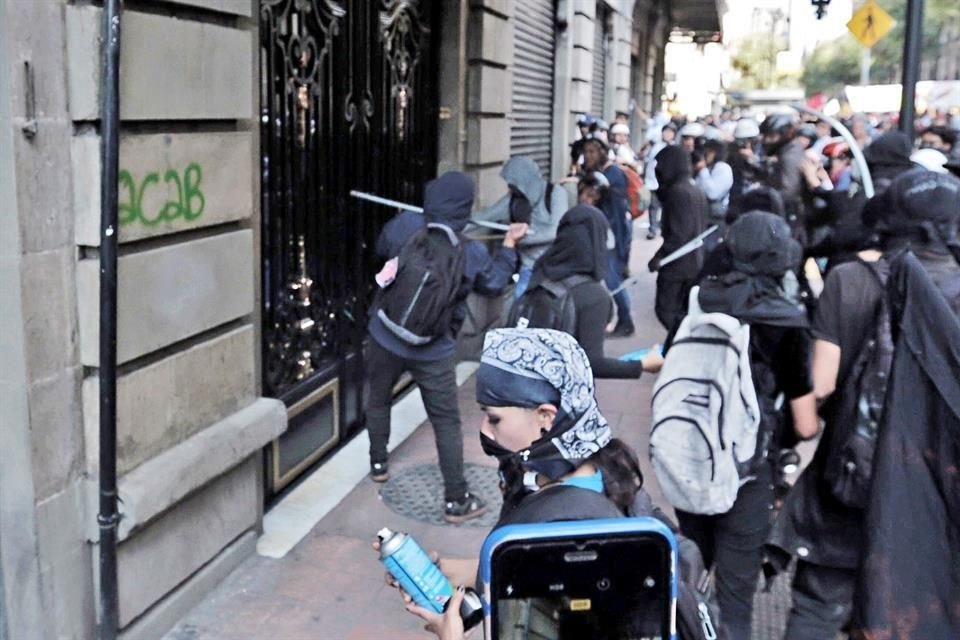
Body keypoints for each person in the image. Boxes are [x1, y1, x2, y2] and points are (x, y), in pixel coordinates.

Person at [766, 168, 960, 639]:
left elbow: (824, 383)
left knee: (818, 602)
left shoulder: (850, 279)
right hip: (937, 487)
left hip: (853, 478)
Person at [388, 328, 665, 639]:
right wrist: (440, 572)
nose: (486, 431)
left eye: (494, 418)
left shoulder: (569, 528)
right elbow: (528, 574)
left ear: (546, 416)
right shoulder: (602, 472)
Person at [679, 212, 819, 639]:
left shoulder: (701, 298)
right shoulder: (788, 321)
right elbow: (805, 422)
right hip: (749, 470)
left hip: (692, 456)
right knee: (736, 596)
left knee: (690, 573)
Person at [366, 171, 529, 523]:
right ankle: (456, 499)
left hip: (385, 334)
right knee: (445, 421)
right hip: (433, 349)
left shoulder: (406, 225)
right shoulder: (469, 251)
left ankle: (378, 462)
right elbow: (495, 284)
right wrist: (509, 247)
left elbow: (380, 250)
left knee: (378, 398)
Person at [524, 204, 664, 379]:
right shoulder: (593, 295)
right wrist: (642, 365)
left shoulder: (541, 271)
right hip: (554, 394)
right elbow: (592, 364)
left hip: (519, 381)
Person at [472, 156, 567, 298]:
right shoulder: (513, 200)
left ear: (525, 180)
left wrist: (519, 238)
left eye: (513, 185)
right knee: (521, 312)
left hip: (553, 268)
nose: (510, 189)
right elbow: (485, 216)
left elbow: (557, 231)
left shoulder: (556, 194)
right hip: (528, 269)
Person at [648, 144, 707, 333]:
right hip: (694, 262)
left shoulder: (678, 192)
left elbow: (678, 235)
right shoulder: (694, 189)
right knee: (682, 310)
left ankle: (679, 341)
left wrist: (658, 258)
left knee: (666, 309)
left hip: (677, 264)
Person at [582, 135, 635, 337]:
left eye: (592, 152)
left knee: (613, 280)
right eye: (586, 152)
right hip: (603, 235)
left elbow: (614, 211)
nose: (588, 156)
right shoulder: (598, 173)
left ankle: (625, 320)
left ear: (603, 152)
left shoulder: (612, 174)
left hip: (611, 236)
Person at [694, 139, 734, 251]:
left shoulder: (723, 168)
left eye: (708, 151)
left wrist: (702, 170)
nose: (705, 154)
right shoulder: (709, 168)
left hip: (714, 219)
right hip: (703, 217)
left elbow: (712, 193)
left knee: (710, 250)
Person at [644, 122, 677, 240]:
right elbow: (649, 163)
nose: (667, 134)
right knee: (653, 206)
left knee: (667, 207)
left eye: (670, 132)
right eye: (666, 131)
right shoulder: (656, 146)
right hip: (653, 181)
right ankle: (652, 229)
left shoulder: (675, 149)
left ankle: (664, 228)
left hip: (668, 183)